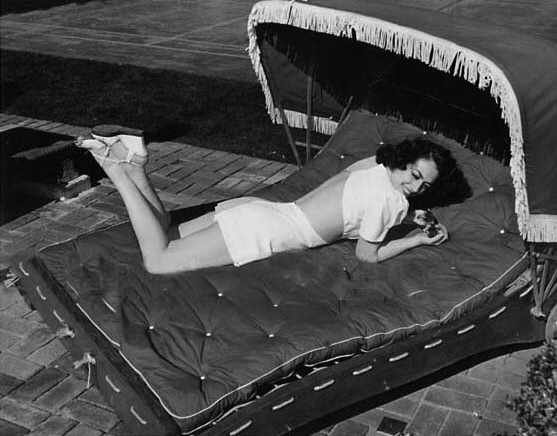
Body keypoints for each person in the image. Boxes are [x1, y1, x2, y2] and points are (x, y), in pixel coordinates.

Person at [77, 126, 462, 274]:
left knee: (166, 231)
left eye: (424, 186)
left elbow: (355, 206)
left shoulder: (373, 166)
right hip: (266, 230)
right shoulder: (392, 203)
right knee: (158, 261)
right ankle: (115, 170)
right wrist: (414, 239)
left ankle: (136, 163)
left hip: (263, 210)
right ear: (403, 163)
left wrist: (409, 217)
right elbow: (367, 256)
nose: (415, 189)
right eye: (414, 176)